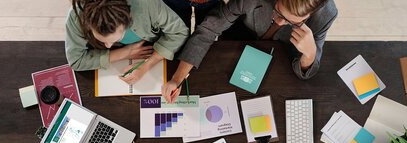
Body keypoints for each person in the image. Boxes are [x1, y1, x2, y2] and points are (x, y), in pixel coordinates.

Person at [162, 0, 338, 103]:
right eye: (278, 12)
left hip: (278, 62)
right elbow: (208, 29)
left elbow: (307, 72)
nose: (280, 22)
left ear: (309, 16)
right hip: (238, 40)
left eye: (293, 22)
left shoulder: (326, 14)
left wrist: (309, 54)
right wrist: (177, 78)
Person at [65, 0, 189, 84]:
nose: (107, 46)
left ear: (129, 18)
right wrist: (124, 53)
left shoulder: (146, 4)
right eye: (101, 40)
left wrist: (147, 65)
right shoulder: (76, 17)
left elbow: (179, 32)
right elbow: (75, 60)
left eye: (116, 39)